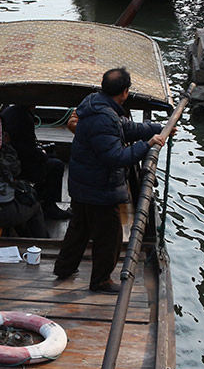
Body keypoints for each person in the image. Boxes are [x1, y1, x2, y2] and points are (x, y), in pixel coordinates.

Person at [52, 68, 166, 293]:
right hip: (98, 188)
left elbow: (126, 128)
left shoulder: (96, 105)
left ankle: (64, 268)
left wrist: (157, 129)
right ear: (125, 92)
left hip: (83, 183)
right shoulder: (103, 117)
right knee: (109, 237)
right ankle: (101, 281)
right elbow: (116, 157)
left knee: (79, 229)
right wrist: (147, 145)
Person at [0, 104, 69, 220]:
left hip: (12, 158)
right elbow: (28, 150)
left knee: (50, 157)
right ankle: (50, 207)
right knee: (57, 166)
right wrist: (42, 154)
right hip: (20, 164)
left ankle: (41, 196)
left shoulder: (8, 111)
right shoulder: (24, 118)